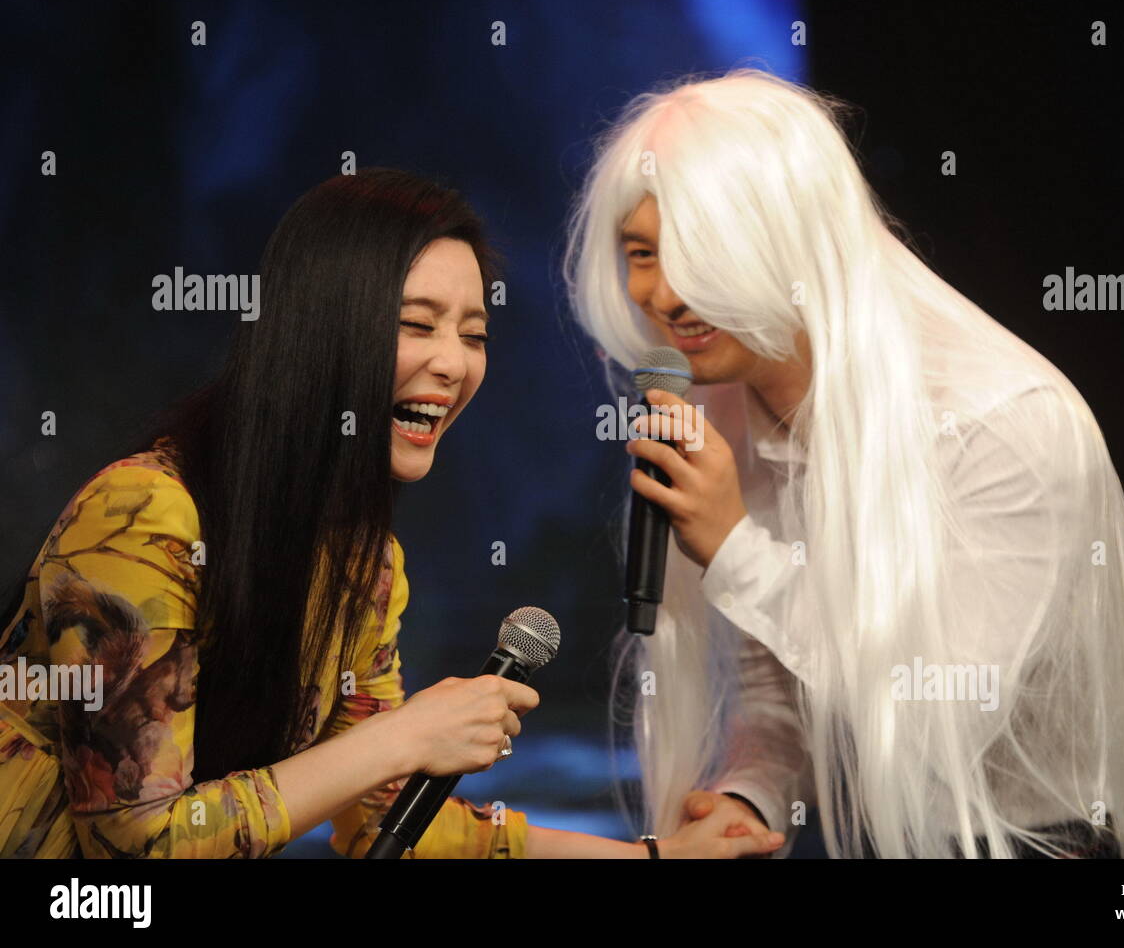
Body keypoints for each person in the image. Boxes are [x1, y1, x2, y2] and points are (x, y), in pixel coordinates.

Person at [0, 167, 783, 859]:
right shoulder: (144, 514)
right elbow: (138, 845)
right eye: (417, 325)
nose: (454, 362)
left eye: (473, 334)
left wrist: (655, 856)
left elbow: (389, 819)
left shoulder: (364, 565)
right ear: (322, 331)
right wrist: (400, 737)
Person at [563, 70, 1124, 858]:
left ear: (792, 245)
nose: (665, 294)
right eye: (642, 253)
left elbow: (943, 716)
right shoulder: (727, 404)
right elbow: (781, 677)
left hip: (1110, 840)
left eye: (702, 252)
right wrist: (752, 793)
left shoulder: (1001, 419)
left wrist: (737, 549)